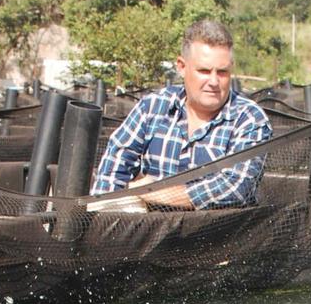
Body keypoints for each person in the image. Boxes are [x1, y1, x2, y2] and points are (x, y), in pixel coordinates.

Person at [91, 19, 273, 209]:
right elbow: (113, 168)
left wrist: (148, 190)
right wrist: (108, 207)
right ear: (181, 66)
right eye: (203, 70)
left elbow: (234, 188)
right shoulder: (152, 107)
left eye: (222, 72)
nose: (213, 81)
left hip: (219, 235)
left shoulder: (249, 119)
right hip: (150, 233)